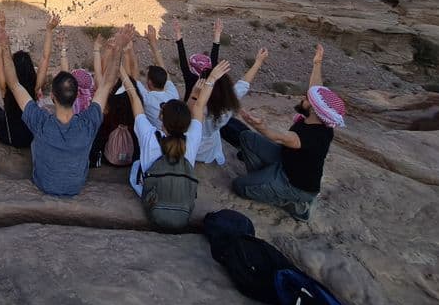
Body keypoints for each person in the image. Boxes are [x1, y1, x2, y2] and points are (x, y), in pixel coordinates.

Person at [0, 19, 135, 196]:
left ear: (52, 96)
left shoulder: (41, 122)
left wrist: (4, 46)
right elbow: (107, 85)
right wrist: (119, 48)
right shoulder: (88, 123)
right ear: (75, 96)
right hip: (76, 186)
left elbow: (14, 85)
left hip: (43, 183)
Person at [232, 44, 345, 222]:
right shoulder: (319, 118)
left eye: (306, 100)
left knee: (239, 186)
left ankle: (294, 205)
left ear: (315, 109)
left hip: (294, 183)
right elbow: (316, 89)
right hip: (285, 161)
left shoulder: (312, 136)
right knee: (246, 138)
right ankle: (264, 179)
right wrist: (317, 63)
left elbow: (280, 137)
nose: (303, 99)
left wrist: (260, 126)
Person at [127, 60, 231, 197]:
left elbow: (134, 98)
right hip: (182, 200)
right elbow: (198, 107)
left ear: (161, 118)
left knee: (136, 165)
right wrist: (210, 80)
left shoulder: (150, 136)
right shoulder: (191, 140)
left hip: (151, 198)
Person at [0, 10, 45, 148]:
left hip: (10, 137)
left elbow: (1, 59)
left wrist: (1, 35)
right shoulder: (35, 87)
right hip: (30, 137)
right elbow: (45, 58)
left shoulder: (6, 87)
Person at [196, 47, 269, 165]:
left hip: (196, 147)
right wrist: (258, 62)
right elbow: (245, 82)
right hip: (209, 145)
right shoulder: (228, 102)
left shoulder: (199, 108)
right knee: (233, 124)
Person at [128, 23, 180, 129]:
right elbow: (163, 68)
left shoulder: (147, 99)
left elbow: (133, 75)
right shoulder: (173, 94)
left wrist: (129, 48)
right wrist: (153, 42)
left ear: (149, 83)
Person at [173, 18, 222, 101]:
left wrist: (178, 33)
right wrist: (217, 34)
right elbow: (214, 57)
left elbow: (182, 59)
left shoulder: (189, 77)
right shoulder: (210, 78)